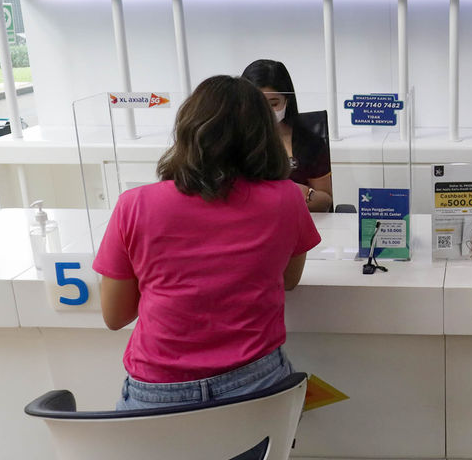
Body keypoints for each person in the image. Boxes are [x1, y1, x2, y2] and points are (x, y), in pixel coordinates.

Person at [93, 75, 321, 410]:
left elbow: (115, 316)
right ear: (264, 135)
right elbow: (288, 279)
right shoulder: (287, 198)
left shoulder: (135, 204)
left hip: (158, 392)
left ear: (187, 129)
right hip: (257, 384)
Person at [242, 59, 334, 212]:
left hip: (293, 220)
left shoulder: (310, 143)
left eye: (273, 104)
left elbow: (326, 201)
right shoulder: (232, 140)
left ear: (287, 101)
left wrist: (302, 194)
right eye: (258, 104)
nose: (266, 112)